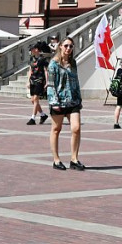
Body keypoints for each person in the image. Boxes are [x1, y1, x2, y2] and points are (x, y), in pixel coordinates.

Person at [46, 37, 84, 170]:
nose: (68, 49)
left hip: (73, 101)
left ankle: (74, 159)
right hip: (58, 101)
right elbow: (51, 84)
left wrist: (79, 99)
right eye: (66, 46)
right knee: (56, 129)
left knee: (76, 128)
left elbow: (76, 81)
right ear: (60, 46)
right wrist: (54, 102)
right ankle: (56, 160)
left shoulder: (73, 63)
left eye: (71, 46)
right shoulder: (53, 64)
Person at [26, 43, 47, 125]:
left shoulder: (42, 59)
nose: (31, 50)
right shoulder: (31, 59)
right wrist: (28, 81)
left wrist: (47, 82)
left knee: (35, 99)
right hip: (32, 80)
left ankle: (33, 118)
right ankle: (43, 115)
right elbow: (30, 70)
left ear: (37, 49)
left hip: (39, 80)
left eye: (32, 49)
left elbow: (45, 70)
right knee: (33, 100)